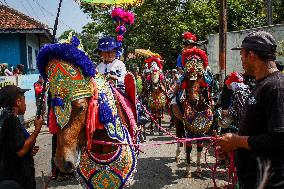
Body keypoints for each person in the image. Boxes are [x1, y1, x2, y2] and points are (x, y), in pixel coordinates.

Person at [217, 31, 284, 189]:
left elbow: (279, 139)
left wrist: (237, 141)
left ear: (251, 56)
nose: (241, 60)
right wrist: (235, 147)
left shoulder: (276, 87)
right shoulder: (260, 85)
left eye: (242, 55)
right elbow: (257, 132)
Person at [0, 85, 43, 189]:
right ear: (18, 102)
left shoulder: (6, 118)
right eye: (23, 100)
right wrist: (37, 129)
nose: (25, 103)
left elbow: (13, 146)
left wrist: (30, 149)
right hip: (17, 178)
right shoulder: (12, 121)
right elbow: (20, 151)